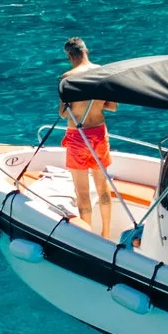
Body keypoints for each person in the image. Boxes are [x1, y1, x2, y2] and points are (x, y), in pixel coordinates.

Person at [59, 36, 116, 237]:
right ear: (86, 51)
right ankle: (106, 234)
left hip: (78, 136)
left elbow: (64, 113)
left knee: (82, 192)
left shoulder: (67, 77)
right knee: (103, 187)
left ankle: (89, 237)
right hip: (99, 133)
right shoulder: (103, 72)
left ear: (70, 55)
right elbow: (113, 106)